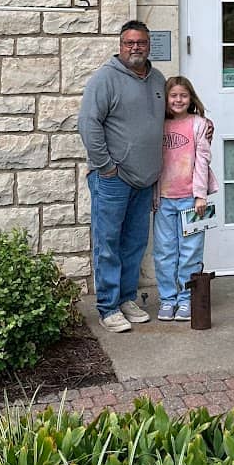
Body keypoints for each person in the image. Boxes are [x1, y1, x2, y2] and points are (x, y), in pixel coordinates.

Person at [77, 20, 165, 333]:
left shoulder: (157, 80)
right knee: (108, 244)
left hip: (145, 180)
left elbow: (170, 117)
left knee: (134, 244)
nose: (135, 48)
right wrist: (107, 166)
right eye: (129, 43)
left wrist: (201, 123)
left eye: (141, 42)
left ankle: (127, 298)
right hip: (114, 179)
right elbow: (89, 123)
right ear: (120, 45)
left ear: (148, 45)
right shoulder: (105, 79)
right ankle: (108, 306)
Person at [153, 75, 216, 322]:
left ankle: (186, 299)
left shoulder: (199, 124)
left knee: (190, 251)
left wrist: (200, 195)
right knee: (165, 251)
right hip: (165, 200)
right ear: (166, 99)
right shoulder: (158, 125)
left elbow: (203, 161)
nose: (178, 100)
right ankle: (168, 299)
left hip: (191, 200)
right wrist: (154, 196)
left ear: (191, 99)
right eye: (173, 95)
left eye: (183, 95)